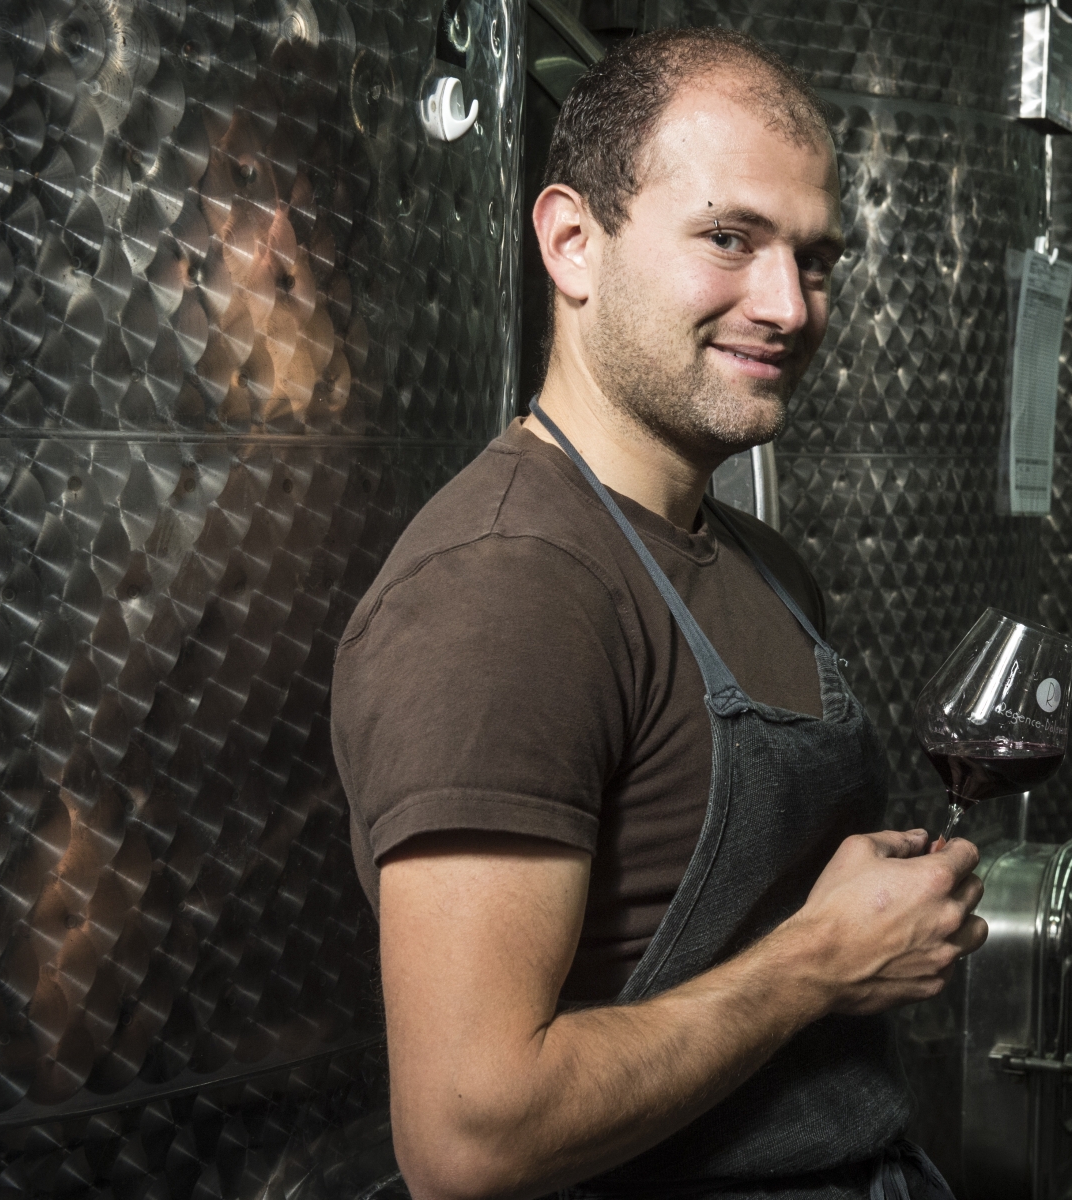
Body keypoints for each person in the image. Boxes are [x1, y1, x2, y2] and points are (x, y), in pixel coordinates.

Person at [331, 27, 987, 1200]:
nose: (786, 306)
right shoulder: (507, 591)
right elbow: (468, 1140)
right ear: (573, 242)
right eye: (729, 239)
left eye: (815, 257)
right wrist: (819, 961)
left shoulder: (766, 566)